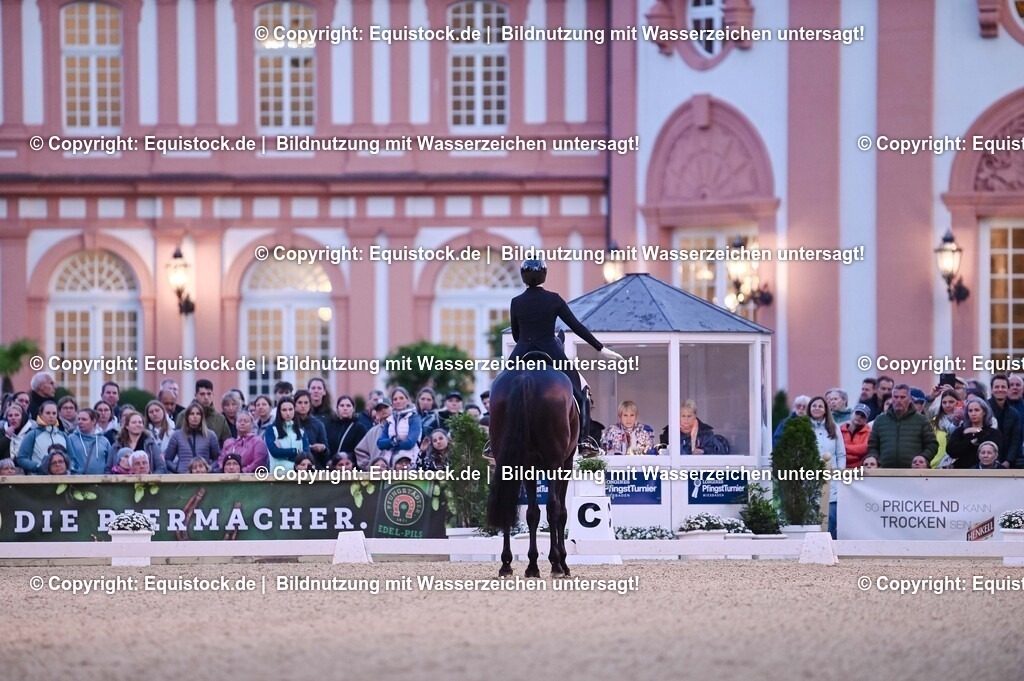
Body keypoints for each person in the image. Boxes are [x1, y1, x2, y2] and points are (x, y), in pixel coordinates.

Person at [508, 258, 624, 454]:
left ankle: (494, 444)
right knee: (582, 392)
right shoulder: (554, 299)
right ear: (544, 275)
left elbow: (516, 335)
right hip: (551, 350)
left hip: (522, 351)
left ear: (523, 277)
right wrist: (600, 348)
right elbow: (576, 326)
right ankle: (585, 440)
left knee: (498, 389)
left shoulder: (516, 302)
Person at [867, 384, 938, 468]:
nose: (898, 400)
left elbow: (932, 445)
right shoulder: (880, 420)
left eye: (902, 397)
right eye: (896, 397)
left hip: (914, 473)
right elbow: (872, 446)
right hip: (885, 472)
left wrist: (923, 457)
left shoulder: (921, 420)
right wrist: (875, 459)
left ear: (910, 399)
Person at [165, 402, 221, 473]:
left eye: (198, 414)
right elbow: (167, 459)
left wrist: (209, 468)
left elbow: (218, 459)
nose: (195, 416)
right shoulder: (177, 435)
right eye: (192, 414)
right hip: (184, 476)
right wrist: (176, 468)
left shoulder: (210, 435)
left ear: (201, 417)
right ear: (187, 417)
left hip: (204, 476)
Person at [946, 397, 1001, 469]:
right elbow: (951, 451)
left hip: (986, 472)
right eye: (970, 411)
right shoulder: (960, 431)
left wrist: (977, 433)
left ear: (984, 412)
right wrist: (970, 442)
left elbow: (995, 448)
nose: (973, 413)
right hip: (962, 471)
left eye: (977, 410)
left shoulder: (993, 432)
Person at [659, 399, 728, 455]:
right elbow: (663, 452)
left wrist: (704, 451)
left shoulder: (705, 432)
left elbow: (718, 451)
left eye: (689, 416)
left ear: (695, 416)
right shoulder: (669, 432)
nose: (686, 419)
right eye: (683, 416)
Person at [17, 401, 68, 474]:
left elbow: (72, 458)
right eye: (48, 413)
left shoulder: (64, 435)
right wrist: (38, 467)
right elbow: (21, 458)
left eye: (54, 413)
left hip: (62, 479)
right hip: (39, 479)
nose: (51, 416)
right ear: (40, 414)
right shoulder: (32, 434)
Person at [176, 380, 231, 445]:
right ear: (195, 395)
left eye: (209, 394)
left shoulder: (220, 419)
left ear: (213, 395)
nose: (206, 397)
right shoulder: (184, 415)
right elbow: (177, 440)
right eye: (202, 394)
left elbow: (227, 444)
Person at [264, 396, 309, 472]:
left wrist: (283, 453)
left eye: (290, 409)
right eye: (284, 410)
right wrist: (297, 451)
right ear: (279, 411)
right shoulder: (271, 429)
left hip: (299, 476)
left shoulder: (301, 431)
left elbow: (306, 455)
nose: (288, 413)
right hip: (278, 476)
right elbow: (275, 452)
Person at [376, 387, 422, 462]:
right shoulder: (389, 419)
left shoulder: (414, 418)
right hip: (390, 462)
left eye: (401, 398)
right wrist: (396, 439)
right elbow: (380, 444)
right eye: (395, 399)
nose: (398, 401)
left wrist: (390, 445)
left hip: (409, 462)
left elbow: (410, 443)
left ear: (407, 400)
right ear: (392, 403)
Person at [987, 374, 1021, 468]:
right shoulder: (984, 409)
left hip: (1007, 462)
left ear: (1008, 389)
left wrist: (1008, 461)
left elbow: (1015, 440)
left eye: (1003, 387)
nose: (1000, 389)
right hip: (986, 460)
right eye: (997, 387)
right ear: (991, 390)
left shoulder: (1014, 413)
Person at [66, 408, 111, 475]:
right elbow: (69, 460)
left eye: (84, 419)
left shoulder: (104, 441)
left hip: (100, 482)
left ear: (93, 421)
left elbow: (109, 463)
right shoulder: (71, 439)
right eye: (79, 419)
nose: (80, 422)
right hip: (78, 481)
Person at [324, 395, 367, 461]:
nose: (345, 408)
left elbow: (361, 451)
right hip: (331, 467)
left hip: (350, 467)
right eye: (342, 405)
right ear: (337, 408)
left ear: (353, 409)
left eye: (348, 406)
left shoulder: (359, 428)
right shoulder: (329, 426)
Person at [293, 389, 329, 467]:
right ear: (294, 404)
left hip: (313, 467)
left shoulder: (318, 424)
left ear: (310, 404)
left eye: (306, 403)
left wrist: (323, 448)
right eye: (299, 402)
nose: (303, 406)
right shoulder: (289, 423)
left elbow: (326, 453)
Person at [929, 389, 962, 468]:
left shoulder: (965, 422)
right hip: (935, 465)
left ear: (958, 403)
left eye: (951, 402)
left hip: (958, 464)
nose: (947, 405)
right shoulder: (934, 421)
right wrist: (930, 398)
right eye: (944, 402)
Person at [840, 403, 872, 468]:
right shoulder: (839, 430)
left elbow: (864, 449)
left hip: (860, 471)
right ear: (851, 414)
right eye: (857, 413)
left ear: (866, 420)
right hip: (840, 468)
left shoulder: (869, 433)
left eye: (863, 415)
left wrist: (844, 448)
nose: (859, 416)